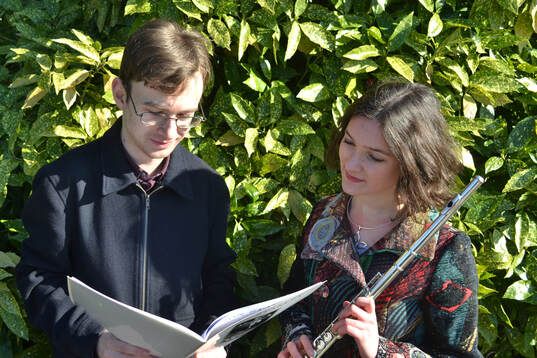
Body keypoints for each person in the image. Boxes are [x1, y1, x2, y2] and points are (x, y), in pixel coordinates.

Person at [16, 19, 236, 358]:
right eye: (153, 112)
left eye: (185, 116)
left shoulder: (208, 188)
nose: (170, 130)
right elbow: (39, 279)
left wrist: (212, 338)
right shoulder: (62, 185)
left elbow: (218, 277)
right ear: (120, 94)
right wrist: (96, 340)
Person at [278, 82, 483, 358]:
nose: (351, 164)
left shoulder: (445, 250)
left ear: (410, 164)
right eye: (349, 142)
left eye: (374, 157)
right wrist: (297, 333)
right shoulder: (325, 214)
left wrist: (381, 350)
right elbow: (295, 295)